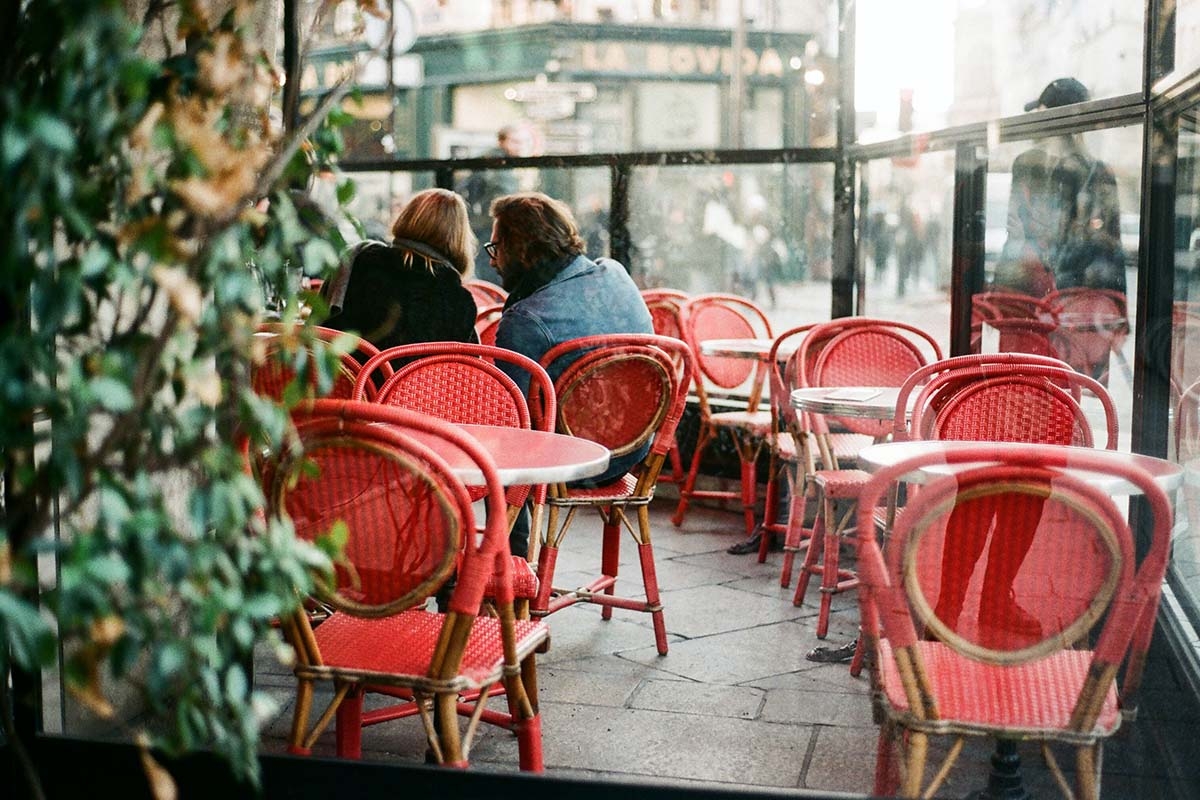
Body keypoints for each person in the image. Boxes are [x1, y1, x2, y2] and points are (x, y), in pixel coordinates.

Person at [487, 192, 654, 557]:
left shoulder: (527, 319)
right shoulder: (616, 273)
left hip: (576, 464)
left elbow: (508, 416)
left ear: (522, 250)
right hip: (635, 449)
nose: (494, 261)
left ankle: (506, 575)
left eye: (497, 247)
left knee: (497, 452)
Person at [994, 77, 1125, 297]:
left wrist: (1001, 289)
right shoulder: (1100, 171)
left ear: (1048, 116)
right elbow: (1111, 246)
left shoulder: (1026, 164)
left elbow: (1016, 230)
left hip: (1030, 290)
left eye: (1041, 113)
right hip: (1079, 292)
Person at [319, 188, 477, 351]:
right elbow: (464, 368)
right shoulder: (459, 301)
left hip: (351, 375)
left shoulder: (361, 261)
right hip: (418, 378)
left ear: (406, 217)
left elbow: (322, 328)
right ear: (460, 237)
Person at [459, 125, 527, 285]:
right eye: (515, 141)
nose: (519, 146)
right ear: (502, 141)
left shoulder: (499, 163)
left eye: (522, 142)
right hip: (491, 223)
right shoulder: (498, 165)